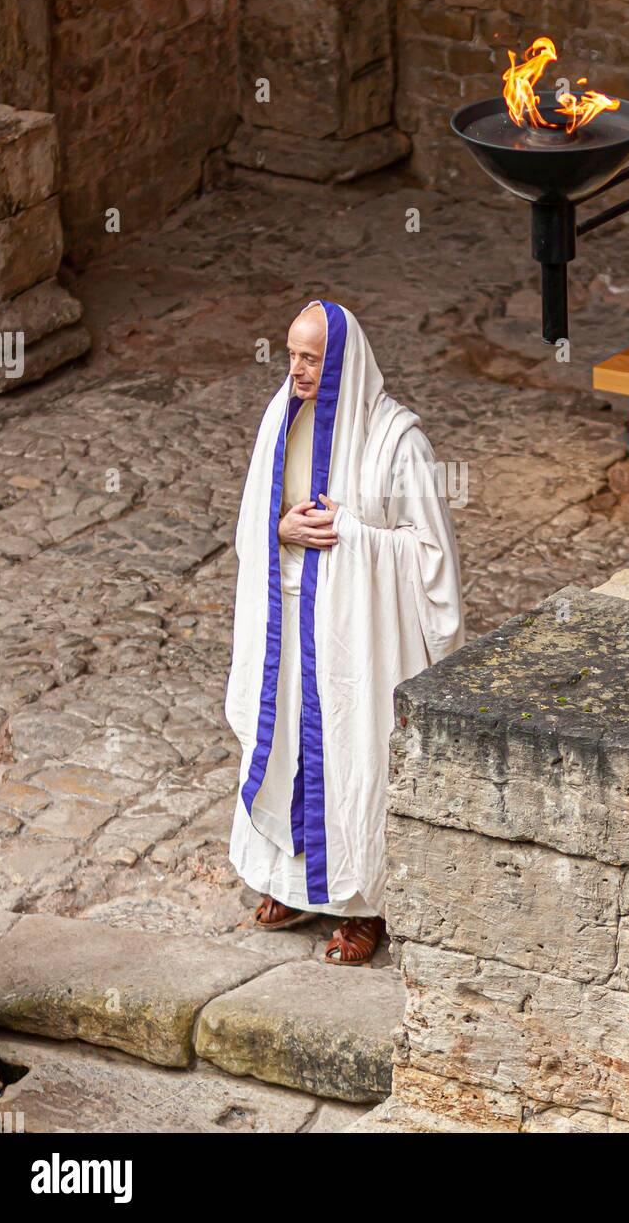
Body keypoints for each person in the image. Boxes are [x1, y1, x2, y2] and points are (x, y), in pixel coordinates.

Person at [225, 299, 464, 965]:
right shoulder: (280, 419)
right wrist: (280, 531)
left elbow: (431, 556)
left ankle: (362, 906)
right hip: (287, 619)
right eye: (291, 355)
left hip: (356, 636)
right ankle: (290, 882)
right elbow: (252, 518)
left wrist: (352, 538)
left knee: (353, 757)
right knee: (284, 748)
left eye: (309, 359)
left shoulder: (399, 444)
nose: (295, 370)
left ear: (342, 363)